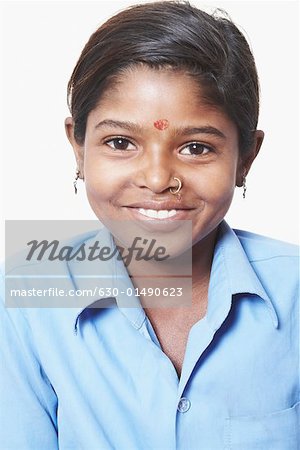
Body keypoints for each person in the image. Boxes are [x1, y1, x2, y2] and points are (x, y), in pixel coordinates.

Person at [1, 1, 299, 449]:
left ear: (246, 158)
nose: (158, 179)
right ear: (79, 148)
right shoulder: (26, 299)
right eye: (120, 142)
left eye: (197, 148)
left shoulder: (294, 292)